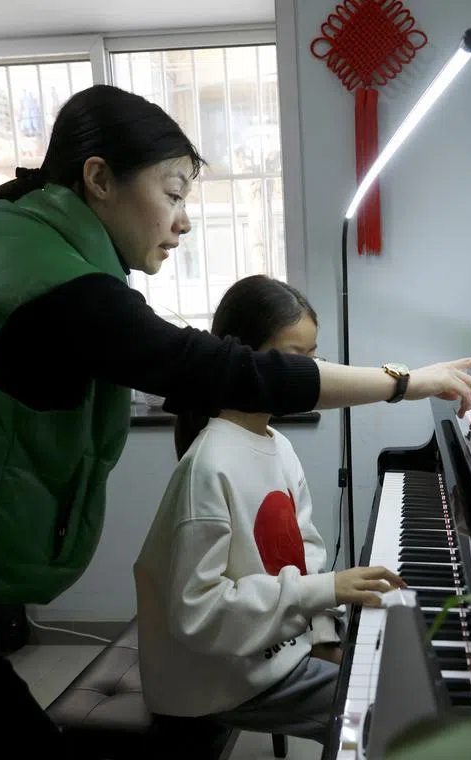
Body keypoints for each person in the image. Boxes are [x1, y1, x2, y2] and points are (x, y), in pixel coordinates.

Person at [0, 84, 471, 760]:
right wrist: (407, 381)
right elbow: (218, 368)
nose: (184, 220)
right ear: (99, 179)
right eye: (172, 193)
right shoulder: (50, 281)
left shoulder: (10, 237)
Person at [134, 275, 397, 749]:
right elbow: (199, 614)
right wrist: (324, 590)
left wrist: (323, 634)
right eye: (293, 360)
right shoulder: (209, 465)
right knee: (381, 716)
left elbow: (305, 554)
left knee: (381, 677)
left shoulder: (277, 445)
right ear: (241, 361)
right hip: (219, 676)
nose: (308, 376)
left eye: (313, 359)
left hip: (272, 649)